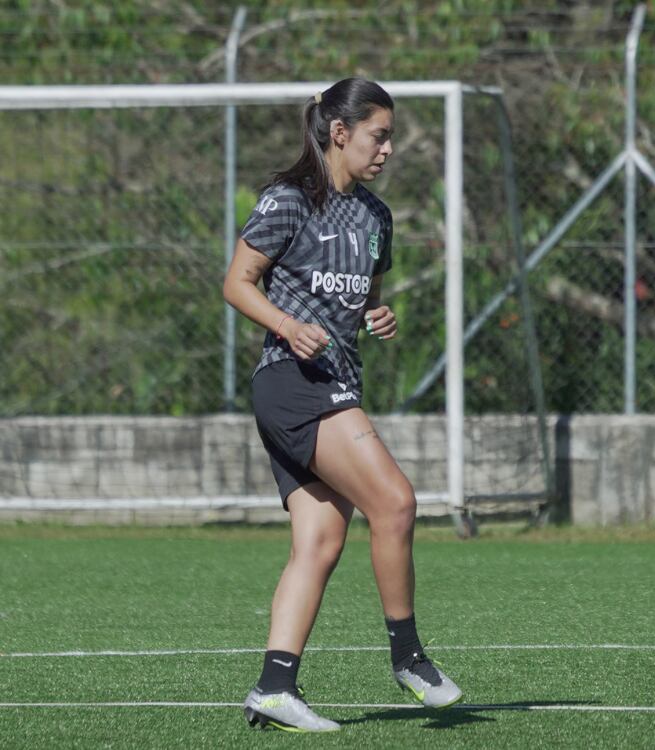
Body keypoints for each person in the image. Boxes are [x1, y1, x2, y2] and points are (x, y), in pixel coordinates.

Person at [222, 77, 461, 733]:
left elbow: (362, 302)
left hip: (336, 379)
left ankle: (274, 687)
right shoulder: (289, 200)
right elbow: (237, 283)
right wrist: (284, 323)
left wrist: (377, 315)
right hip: (293, 380)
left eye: (390, 138)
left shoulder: (377, 218)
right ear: (339, 132)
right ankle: (409, 657)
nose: (387, 149)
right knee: (396, 501)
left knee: (321, 539)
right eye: (378, 136)